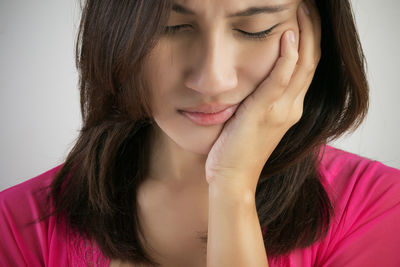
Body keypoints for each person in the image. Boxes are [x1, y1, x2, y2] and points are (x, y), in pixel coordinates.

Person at [1, 0, 399, 266]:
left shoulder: (379, 207)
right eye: (171, 27)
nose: (212, 79)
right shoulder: (15, 227)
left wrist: (233, 187)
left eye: (256, 29)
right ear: (113, 34)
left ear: (314, 33)